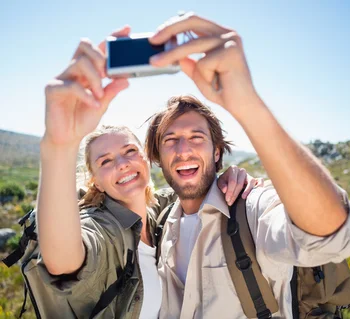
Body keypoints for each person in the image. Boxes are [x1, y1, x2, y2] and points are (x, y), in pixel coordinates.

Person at [143, 13, 350, 318]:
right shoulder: (160, 223)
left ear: (217, 152)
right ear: (157, 156)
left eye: (197, 137)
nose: (183, 150)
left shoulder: (250, 208)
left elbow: (330, 238)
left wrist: (245, 102)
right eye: (170, 140)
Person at [33, 26, 260, 319]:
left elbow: (194, 190)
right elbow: (63, 262)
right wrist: (59, 147)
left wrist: (227, 178)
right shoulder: (103, 227)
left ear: (146, 160)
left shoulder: (162, 214)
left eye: (129, 152)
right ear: (95, 182)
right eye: (105, 161)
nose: (123, 164)